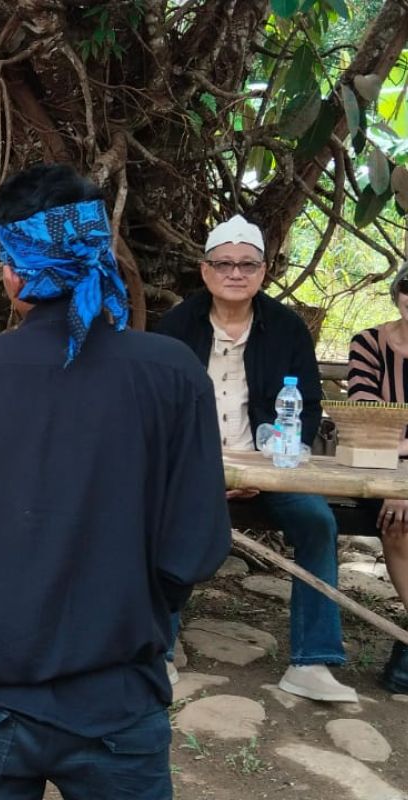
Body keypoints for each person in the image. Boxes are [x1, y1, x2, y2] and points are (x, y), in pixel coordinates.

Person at [0, 165, 231, 799]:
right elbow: (195, 546)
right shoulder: (173, 374)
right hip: (120, 698)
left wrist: (9, 609)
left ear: (15, 269)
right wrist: (127, 612)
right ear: (100, 252)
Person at [156, 214, 357, 703]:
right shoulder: (176, 325)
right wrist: (198, 472)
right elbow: (154, 406)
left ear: (264, 271)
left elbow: (307, 407)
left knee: (316, 521)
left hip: (271, 468)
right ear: (204, 270)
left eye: (247, 263)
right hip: (189, 469)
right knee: (152, 520)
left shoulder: (286, 328)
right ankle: (156, 652)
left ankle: (311, 662)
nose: (235, 273)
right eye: (223, 263)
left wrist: (265, 474)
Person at [345, 262, 408, 692]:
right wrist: (398, 481)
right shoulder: (368, 344)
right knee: (401, 522)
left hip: (400, 467)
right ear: (397, 292)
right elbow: (371, 420)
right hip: (379, 464)